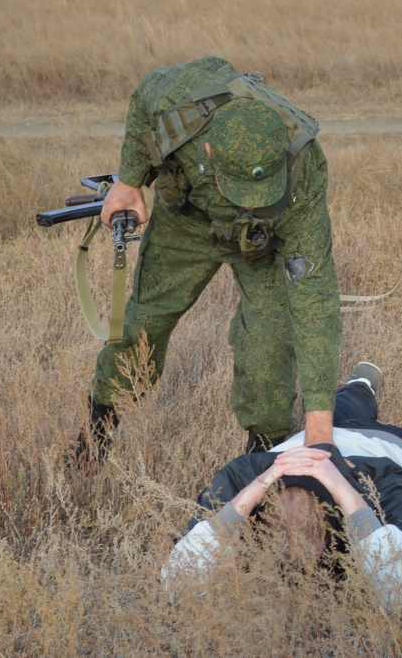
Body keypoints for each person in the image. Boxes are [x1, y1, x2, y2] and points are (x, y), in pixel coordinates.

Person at [80, 56, 342, 460]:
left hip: (261, 241)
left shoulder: (304, 176)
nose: (249, 202)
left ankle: (263, 459)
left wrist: (320, 427)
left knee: (269, 342)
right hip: (186, 221)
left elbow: (316, 301)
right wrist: (130, 182)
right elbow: (143, 97)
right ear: (207, 149)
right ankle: (93, 443)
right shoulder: (178, 102)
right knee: (143, 324)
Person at [161, 362, 402, 608]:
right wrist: (262, 482)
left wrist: (346, 489)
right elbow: (175, 583)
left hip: (395, 452)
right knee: (339, 409)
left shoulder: (382, 482)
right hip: (322, 437)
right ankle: (360, 386)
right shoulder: (248, 473)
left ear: (330, 538)